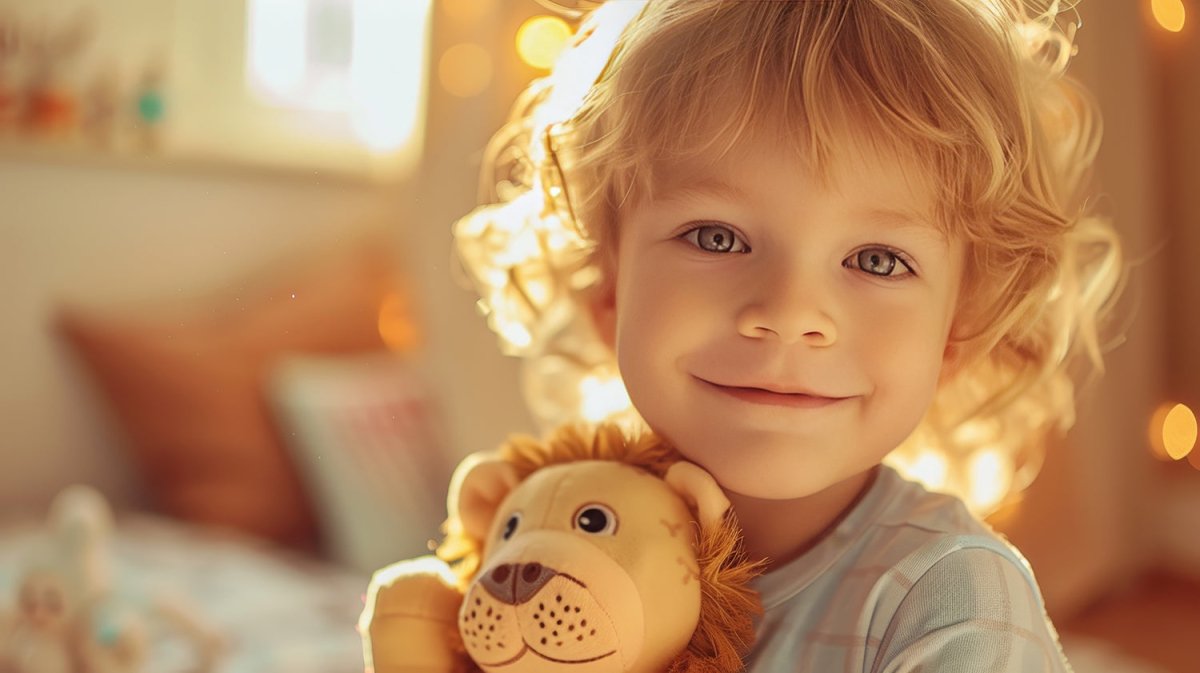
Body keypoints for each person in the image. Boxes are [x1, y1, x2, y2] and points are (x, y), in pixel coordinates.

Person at [452, 0, 1125, 670]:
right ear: (606, 282)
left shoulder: (949, 599)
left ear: (958, 330)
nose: (790, 311)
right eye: (717, 237)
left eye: (876, 259)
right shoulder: (559, 542)